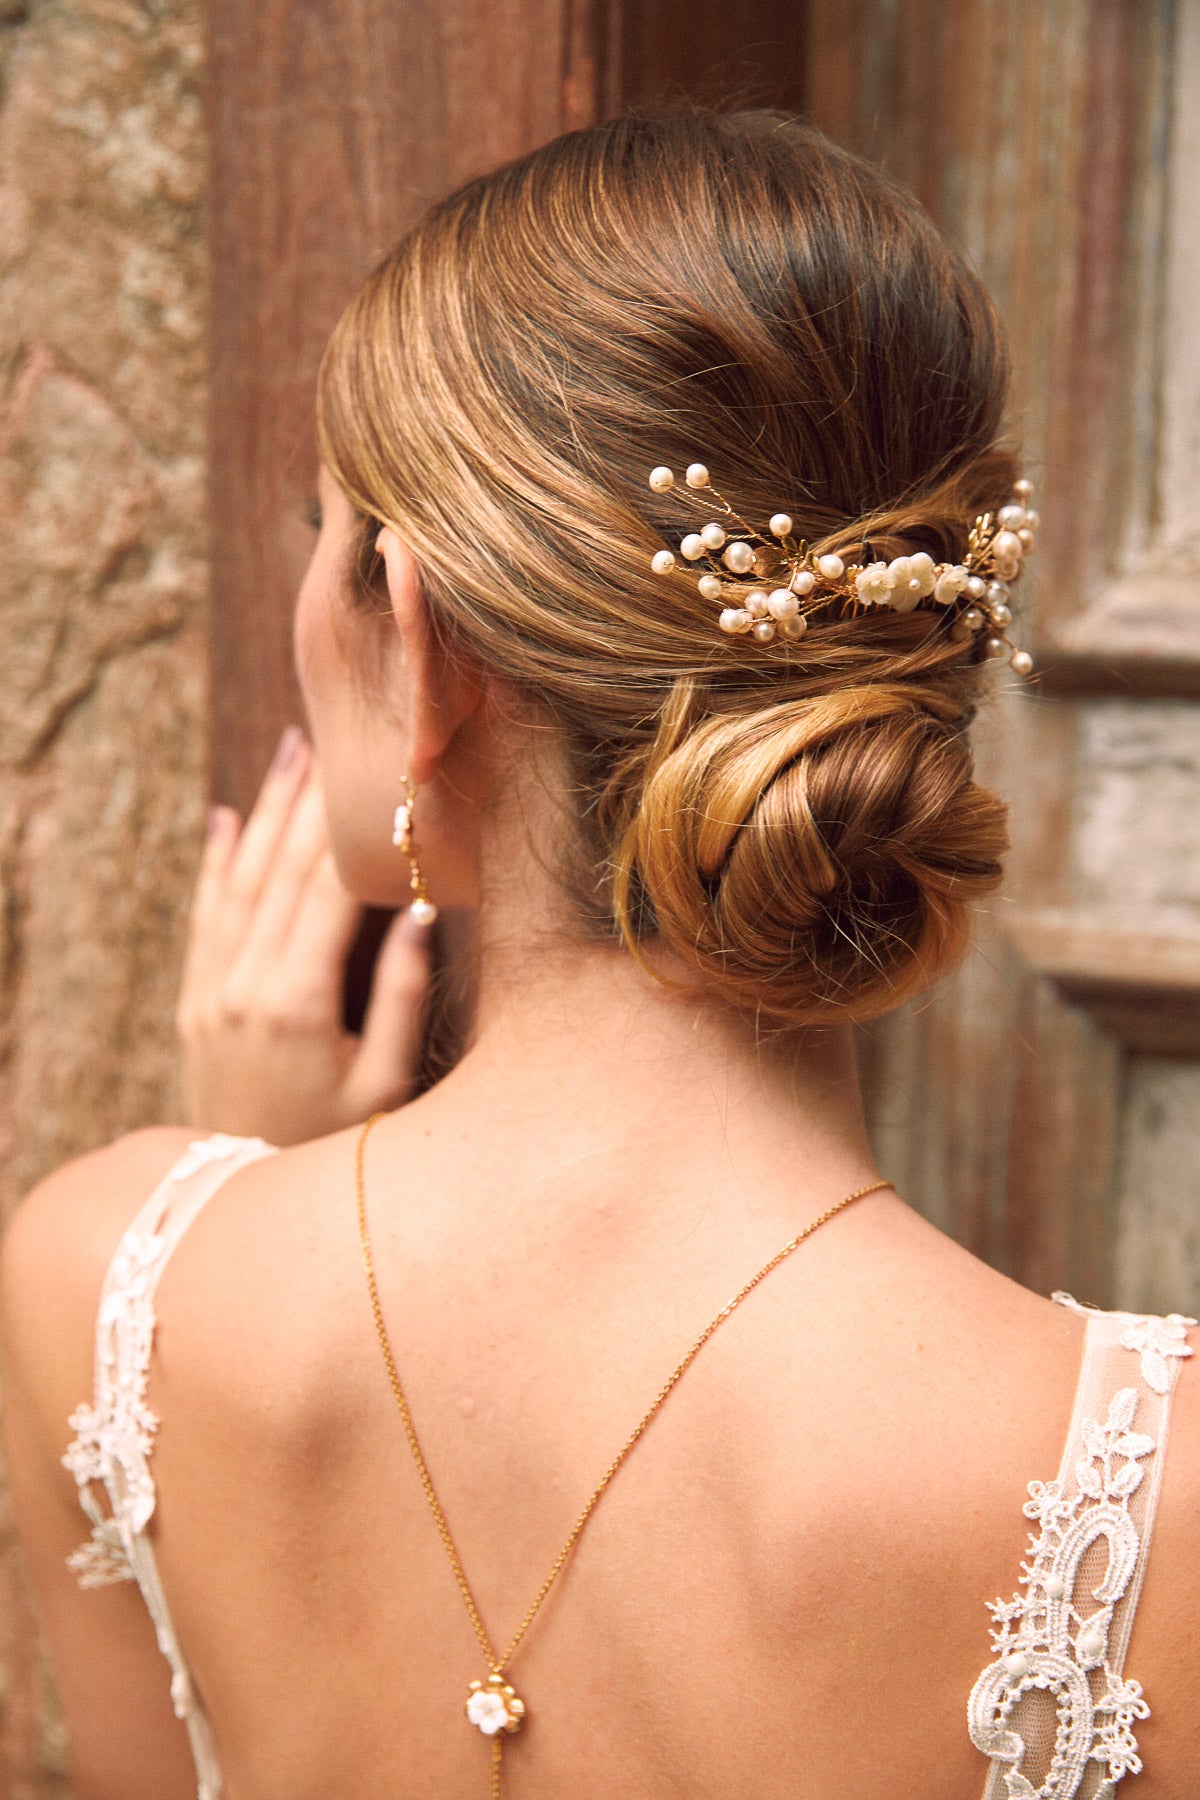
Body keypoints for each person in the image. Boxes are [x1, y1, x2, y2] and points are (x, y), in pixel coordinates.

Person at [2, 108, 1196, 1800]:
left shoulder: (103, 1292)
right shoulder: (1150, 1499)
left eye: (323, 532)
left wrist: (255, 1176)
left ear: (414, 644)